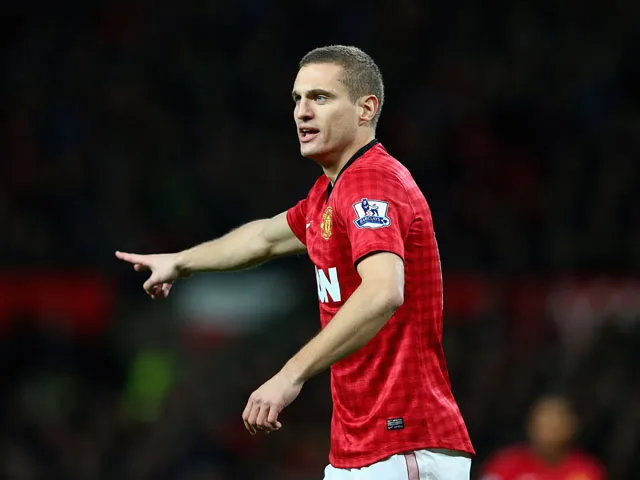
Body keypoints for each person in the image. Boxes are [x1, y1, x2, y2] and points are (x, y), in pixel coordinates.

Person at [116, 45, 474, 479]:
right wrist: (180, 262)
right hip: (366, 448)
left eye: (320, 97)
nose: (302, 112)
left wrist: (290, 375)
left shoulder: (371, 181)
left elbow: (383, 291)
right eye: (297, 99)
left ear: (366, 109)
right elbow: (264, 239)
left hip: (402, 442)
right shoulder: (329, 193)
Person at [480, 394, 606, 480]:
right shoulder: (504, 464)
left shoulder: (586, 471)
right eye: (543, 425)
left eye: (555, 426)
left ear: (571, 428)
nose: (548, 433)